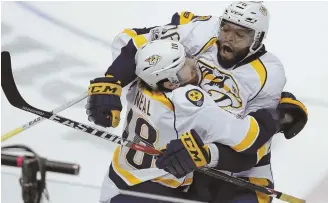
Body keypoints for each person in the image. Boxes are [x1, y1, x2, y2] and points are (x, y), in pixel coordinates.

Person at [86, 1, 308, 202]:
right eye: (226, 28)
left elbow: (255, 142)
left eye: (239, 34)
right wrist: (111, 80)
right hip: (189, 162)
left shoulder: (269, 73)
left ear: (257, 39)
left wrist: (208, 154)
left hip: (237, 173)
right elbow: (141, 44)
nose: (228, 37)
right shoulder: (203, 33)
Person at [99, 39, 274, 203]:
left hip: (115, 184)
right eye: (182, 66)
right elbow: (249, 138)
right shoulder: (188, 101)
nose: (193, 63)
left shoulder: (137, 83)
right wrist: (273, 115)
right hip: (152, 194)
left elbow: (129, 42)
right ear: (170, 83)